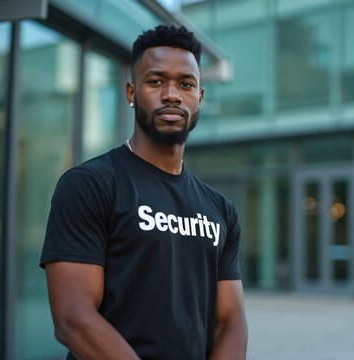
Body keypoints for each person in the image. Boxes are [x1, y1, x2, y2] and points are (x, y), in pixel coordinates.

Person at [40, 25, 248, 360]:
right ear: (131, 92)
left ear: (200, 97)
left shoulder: (220, 209)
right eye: (156, 81)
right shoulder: (90, 184)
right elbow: (73, 319)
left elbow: (230, 322)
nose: (172, 94)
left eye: (186, 84)